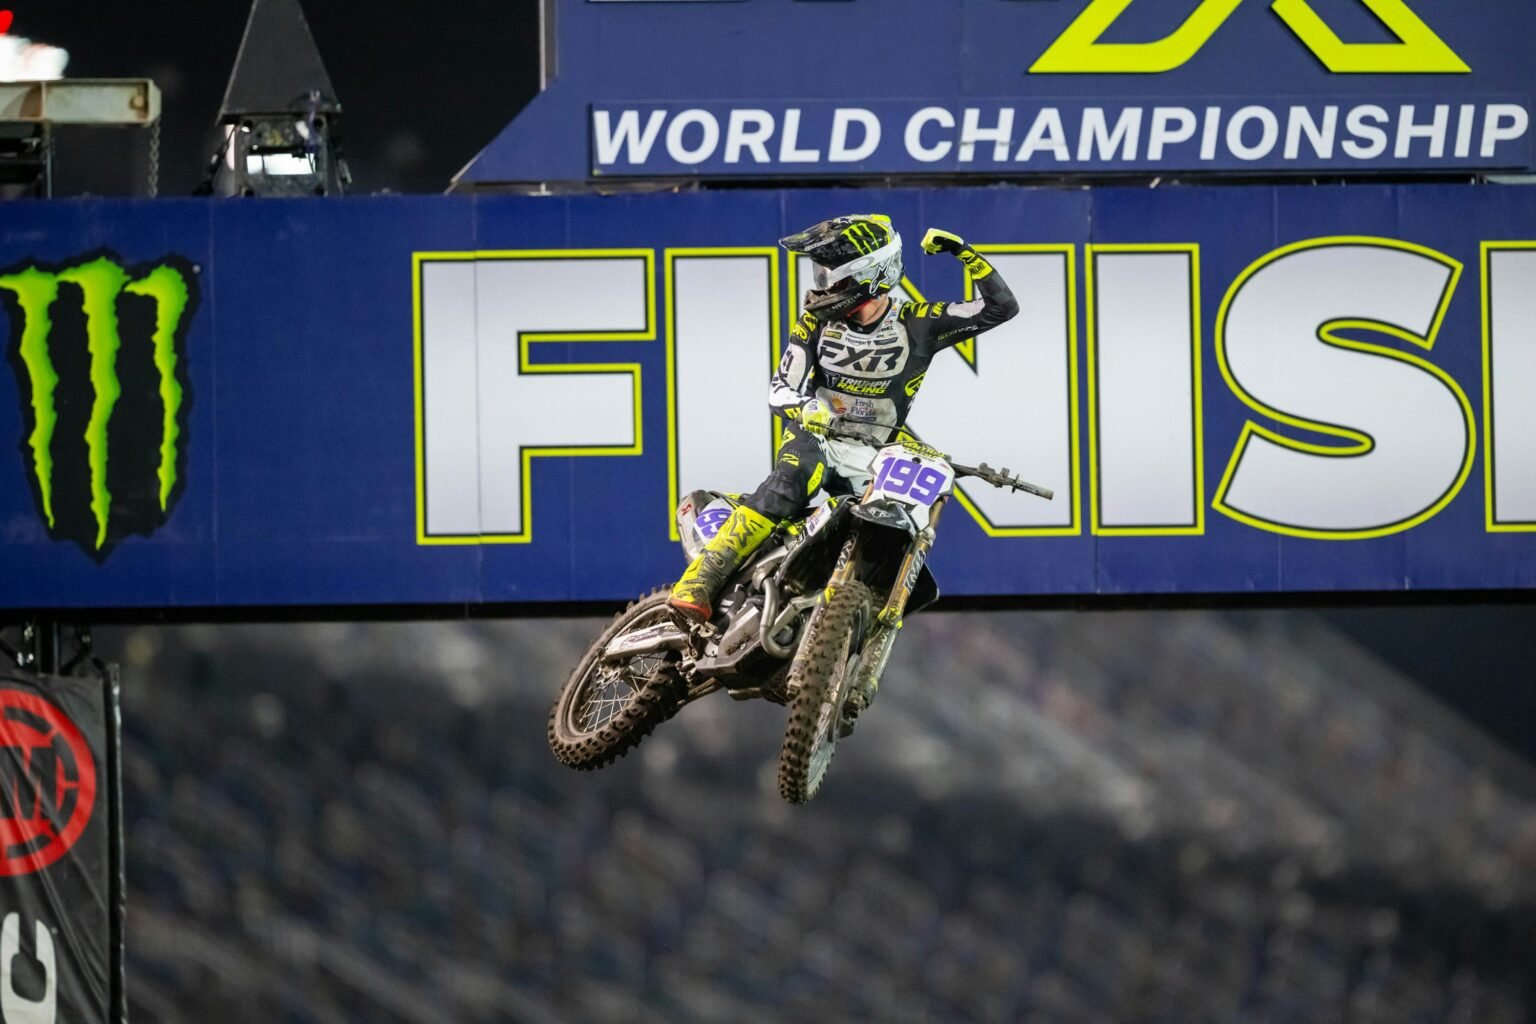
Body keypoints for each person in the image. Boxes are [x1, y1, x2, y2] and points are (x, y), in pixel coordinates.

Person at [670, 213, 1020, 621]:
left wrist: (963, 253)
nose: (822, 287)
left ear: (868, 276)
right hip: (816, 436)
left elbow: (1001, 308)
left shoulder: (918, 323)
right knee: (796, 477)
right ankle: (702, 577)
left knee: (898, 522)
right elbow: (780, 389)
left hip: (874, 451)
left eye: (831, 278)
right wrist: (807, 409)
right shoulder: (815, 322)